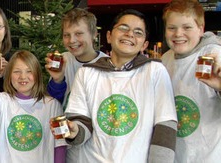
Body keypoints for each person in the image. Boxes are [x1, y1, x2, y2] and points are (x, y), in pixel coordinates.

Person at [64, 9, 177, 162]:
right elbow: (80, 121)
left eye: (138, 32)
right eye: (123, 28)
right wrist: (75, 131)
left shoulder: (155, 71)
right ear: (109, 36)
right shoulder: (87, 73)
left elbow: (165, 126)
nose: (130, 34)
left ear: (144, 45)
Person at [0, 50, 66, 163]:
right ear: (9, 75)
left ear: (37, 75)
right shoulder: (3, 100)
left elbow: (60, 146)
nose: (23, 76)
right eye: (17, 72)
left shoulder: (52, 105)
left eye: (29, 71)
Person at [160, 0, 221, 162]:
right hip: (176, 155)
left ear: (201, 29)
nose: (178, 34)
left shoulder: (212, 55)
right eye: (172, 28)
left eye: (187, 27)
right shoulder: (165, 59)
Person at [45, 8, 108, 104]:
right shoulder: (63, 60)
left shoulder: (107, 65)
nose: (72, 40)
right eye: (66, 35)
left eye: (78, 34)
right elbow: (52, 104)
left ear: (94, 34)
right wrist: (57, 80)